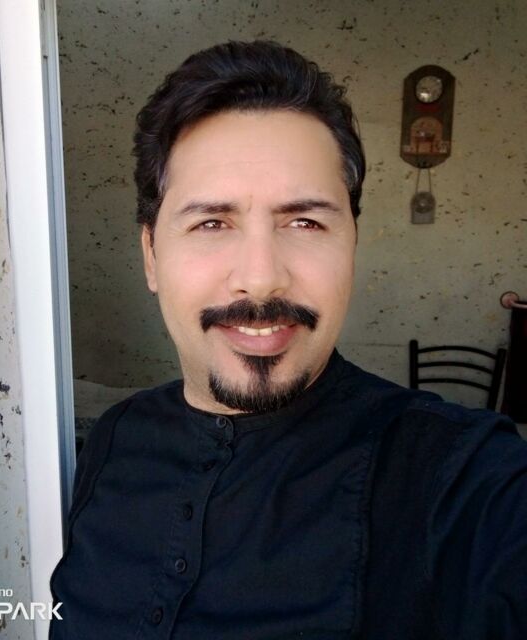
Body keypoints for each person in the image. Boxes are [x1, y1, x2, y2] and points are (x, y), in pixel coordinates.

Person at [50, 41, 527, 639]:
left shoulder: (462, 479)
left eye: (305, 222)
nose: (260, 277)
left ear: (352, 245)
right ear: (151, 255)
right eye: (212, 222)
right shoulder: (114, 439)